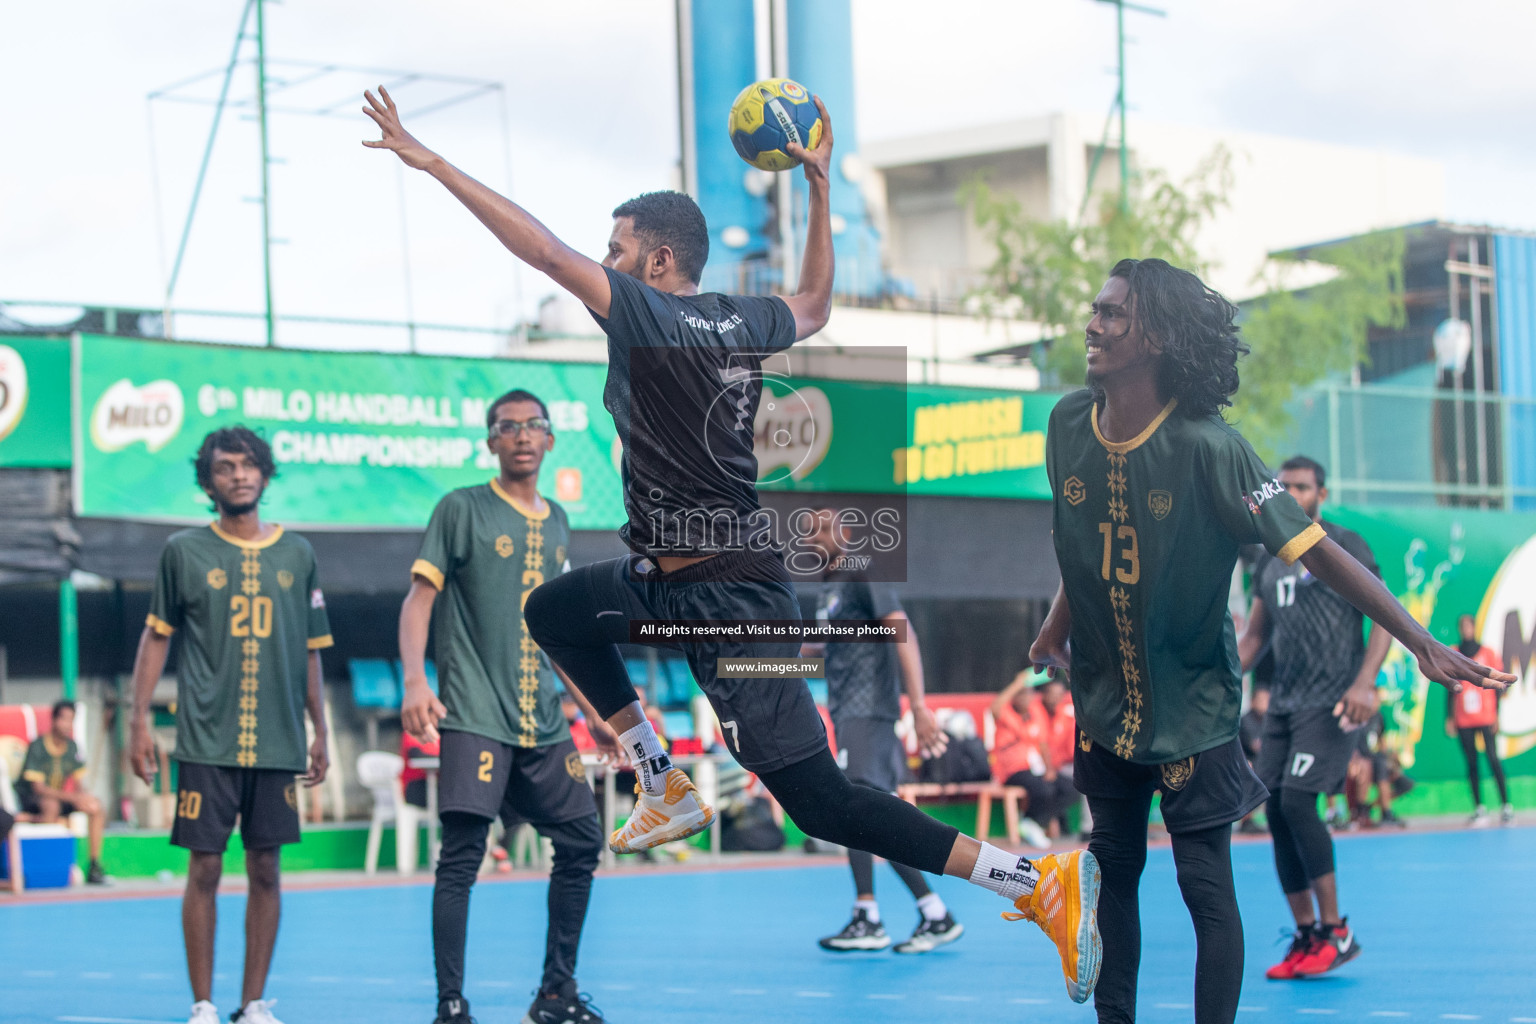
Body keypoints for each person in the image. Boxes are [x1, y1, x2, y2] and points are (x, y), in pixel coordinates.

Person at [365, 86, 1104, 1006]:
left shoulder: (650, 315)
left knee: (822, 802)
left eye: (619, 249)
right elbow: (819, 302)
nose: (606, 261)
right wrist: (823, 194)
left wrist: (433, 164)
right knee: (553, 609)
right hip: (670, 579)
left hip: (726, 595)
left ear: (656, 259)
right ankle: (662, 778)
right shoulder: (741, 319)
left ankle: (1036, 884)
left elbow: (543, 250)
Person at [1027, 258, 1512, 1024]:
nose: (1093, 323)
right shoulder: (1065, 425)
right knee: (1111, 867)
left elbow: (1319, 549)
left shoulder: (1213, 450)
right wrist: (1056, 626)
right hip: (1103, 698)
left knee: (1202, 884)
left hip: (1193, 706)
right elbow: (1079, 541)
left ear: (1155, 335)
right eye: (1097, 308)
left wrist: (1416, 639)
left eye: (1113, 314)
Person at [398, 388, 624, 1024]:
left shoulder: (557, 521)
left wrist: (592, 711)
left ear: (550, 441)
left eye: (535, 426)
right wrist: (417, 682)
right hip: (474, 712)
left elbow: (558, 637)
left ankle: (556, 994)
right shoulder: (460, 509)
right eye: (508, 427)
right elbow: (419, 600)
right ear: (491, 441)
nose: (523, 435)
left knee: (582, 841)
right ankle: (451, 1002)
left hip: (544, 720)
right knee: (463, 854)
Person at [127, 426, 333, 1024]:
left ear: (265, 474)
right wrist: (138, 723)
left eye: (248, 465)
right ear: (207, 480)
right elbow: (155, 638)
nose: (238, 474)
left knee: (266, 867)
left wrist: (321, 730)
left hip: (278, 741)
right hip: (206, 740)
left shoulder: (298, 553)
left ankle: (253, 1005)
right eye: (225, 467)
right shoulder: (183, 552)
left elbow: (312, 649)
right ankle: (203, 1004)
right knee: (206, 866)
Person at [1236, 454, 1391, 980]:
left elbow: (1383, 614)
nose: (1292, 494)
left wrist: (1365, 682)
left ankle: (1335, 931)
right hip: (1283, 703)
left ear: (1321, 494)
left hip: (1335, 702)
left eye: (1302, 487)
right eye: (1284, 487)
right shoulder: (1268, 557)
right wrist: (1214, 674)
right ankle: (1307, 935)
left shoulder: (1343, 546)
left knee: (1299, 801)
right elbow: (1255, 637)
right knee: (1274, 809)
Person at [802, 507, 962, 955]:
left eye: (825, 528)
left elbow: (901, 630)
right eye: (809, 530)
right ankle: (927, 912)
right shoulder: (829, 584)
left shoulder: (859, 567)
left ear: (846, 532)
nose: (815, 536)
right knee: (867, 812)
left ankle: (878, 915)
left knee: (857, 811)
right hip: (847, 712)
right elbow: (818, 647)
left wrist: (920, 706)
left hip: (869, 711)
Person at [14, 699, 109, 883]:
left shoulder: (72, 746)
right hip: (33, 799)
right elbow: (38, 788)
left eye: (71, 719)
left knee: (95, 806)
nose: (67, 724)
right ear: (54, 720)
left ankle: (94, 865)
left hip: (61, 798)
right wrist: (72, 797)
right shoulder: (38, 746)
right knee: (51, 806)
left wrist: (84, 797)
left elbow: (79, 782)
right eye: (64, 719)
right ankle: (43, 865)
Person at [991, 672, 1077, 849]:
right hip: (1013, 771)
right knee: (1044, 789)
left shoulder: (1036, 713)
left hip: (1036, 770)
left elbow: (1043, 744)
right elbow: (996, 706)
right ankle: (1030, 823)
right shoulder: (1006, 714)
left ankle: (1033, 822)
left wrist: (1049, 769)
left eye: (1028, 693)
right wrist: (1018, 683)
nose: (1025, 697)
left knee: (1071, 788)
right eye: (1021, 693)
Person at [1448, 614, 1512, 826]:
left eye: (1469, 625)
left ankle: (1506, 806)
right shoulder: (1454, 653)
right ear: (1460, 628)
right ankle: (1479, 808)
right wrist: (1449, 716)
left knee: (1493, 759)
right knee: (1472, 763)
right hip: (1464, 718)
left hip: (1486, 715)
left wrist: (1498, 716)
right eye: (1462, 625)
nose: (1466, 629)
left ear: (1474, 627)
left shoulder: (1488, 653)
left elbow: (1498, 688)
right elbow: (1448, 686)